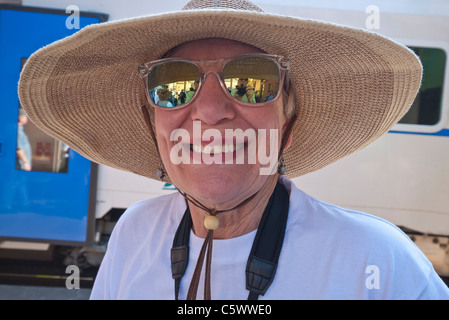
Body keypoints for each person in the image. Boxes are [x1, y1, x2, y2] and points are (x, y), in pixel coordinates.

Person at [18, 0, 449, 300]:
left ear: (288, 130)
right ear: (155, 132)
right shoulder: (134, 234)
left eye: (253, 82)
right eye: (173, 86)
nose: (208, 110)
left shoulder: (381, 262)